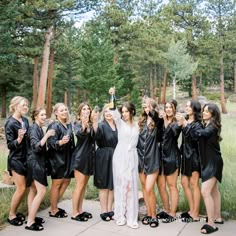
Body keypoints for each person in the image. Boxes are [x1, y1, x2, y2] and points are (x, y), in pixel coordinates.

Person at [190, 103, 223, 234]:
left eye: (207, 112)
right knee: (214, 190)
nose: (204, 113)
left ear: (213, 114)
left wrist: (189, 124)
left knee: (205, 191)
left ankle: (211, 224)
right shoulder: (207, 125)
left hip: (213, 163)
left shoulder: (212, 127)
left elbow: (200, 134)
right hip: (209, 162)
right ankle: (218, 217)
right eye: (203, 111)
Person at [109, 87, 139, 229]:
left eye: (127, 111)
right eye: (123, 112)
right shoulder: (119, 123)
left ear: (132, 111)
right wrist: (112, 95)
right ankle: (120, 215)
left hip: (132, 156)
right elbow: (113, 110)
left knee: (131, 186)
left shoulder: (138, 125)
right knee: (120, 185)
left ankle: (132, 217)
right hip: (120, 155)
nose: (124, 114)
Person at [25, 108, 55, 231]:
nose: (44, 117)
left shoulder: (38, 128)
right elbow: (36, 147)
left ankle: (31, 217)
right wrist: (47, 135)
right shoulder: (33, 129)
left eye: (45, 115)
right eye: (42, 115)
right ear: (35, 116)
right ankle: (30, 222)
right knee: (41, 191)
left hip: (36, 162)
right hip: (35, 163)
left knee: (32, 190)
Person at [137, 97, 163, 228]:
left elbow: (157, 118)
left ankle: (154, 216)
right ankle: (148, 213)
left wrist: (152, 110)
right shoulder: (141, 122)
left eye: (149, 106)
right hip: (141, 160)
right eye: (145, 106)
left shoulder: (158, 122)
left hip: (152, 160)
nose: (146, 109)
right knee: (144, 188)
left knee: (149, 189)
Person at [71, 102, 98, 222]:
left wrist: (93, 122)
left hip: (89, 158)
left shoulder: (91, 124)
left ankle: (80, 210)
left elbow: (96, 137)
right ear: (80, 112)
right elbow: (80, 135)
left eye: (88, 108)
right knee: (79, 186)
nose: (86, 110)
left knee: (84, 187)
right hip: (80, 158)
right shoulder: (76, 123)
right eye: (84, 109)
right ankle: (74, 212)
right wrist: (84, 124)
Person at [176, 100, 202, 222]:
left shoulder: (197, 124)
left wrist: (185, 124)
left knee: (194, 184)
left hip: (194, 156)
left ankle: (196, 214)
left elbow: (195, 138)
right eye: (185, 106)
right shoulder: (186, 121)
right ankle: (192, 210)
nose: (186, 107)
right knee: (184, 183)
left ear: (194, 108)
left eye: (188, 106)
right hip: (185, 157)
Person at [5, 96, 29, 226]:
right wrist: (19, 139)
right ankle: (11, 215)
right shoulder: (10, 123)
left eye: (26, 105)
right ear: (15, 106)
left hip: (26, 158)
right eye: (23, 105)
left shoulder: (25, 120)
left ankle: (17, 212)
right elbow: (10, 145)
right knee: (21, 188)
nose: (25, 107)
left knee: (25, 189)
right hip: (16, 159)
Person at [47, 103, 75, 218]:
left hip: (68, 157)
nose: (64, 112)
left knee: (67, 181)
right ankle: (53, 209)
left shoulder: (68, 125)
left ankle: (54, 205)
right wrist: (60, 142)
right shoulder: (54, 126)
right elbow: (50, 143)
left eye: (65, 109)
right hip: (57, 158)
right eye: (61, 110)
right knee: (57, 183)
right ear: (56, 113)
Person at [156, 100, 181, 223]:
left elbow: (173, 134)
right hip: (160, 156)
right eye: (166, 107)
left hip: (172, 156)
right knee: (161, 185)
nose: (168, 109)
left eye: (170, 107)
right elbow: (158, 135)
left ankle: (173, 212)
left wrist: (165, 120)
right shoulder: (162, 121)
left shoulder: (177, 122)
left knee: (172, 186)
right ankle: (166, 209)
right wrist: (160, 118)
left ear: (174, 108)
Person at [94, 104, 118, 221]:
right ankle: (104, 211)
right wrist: (94, 122)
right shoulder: (101, 125)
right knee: (104, 184)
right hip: (103, 157)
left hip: (116, 156)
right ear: (103, 113)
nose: (108, 113)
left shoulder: (117, 125)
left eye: (111, 111)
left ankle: (110, 209)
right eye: (106, 111)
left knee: (112, 185)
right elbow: (96, 135)